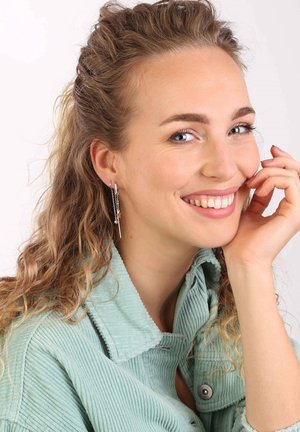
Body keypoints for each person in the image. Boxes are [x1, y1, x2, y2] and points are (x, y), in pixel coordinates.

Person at [0, 0, 300, 430]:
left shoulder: (228, 310)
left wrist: (251, 267)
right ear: (109, 162)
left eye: (238, 129)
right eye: (183, 135)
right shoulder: (46, 357)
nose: (224, 166)